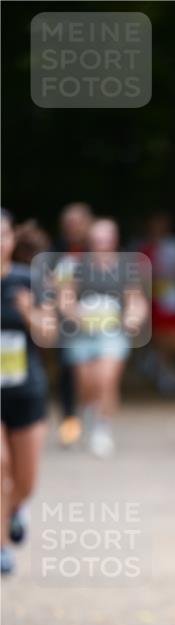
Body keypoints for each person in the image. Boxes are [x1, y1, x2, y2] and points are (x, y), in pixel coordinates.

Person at [57, 217, 148, 458]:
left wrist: (133, 317)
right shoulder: (75, 264)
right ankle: (88, 414)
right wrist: (75, 314)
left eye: (106, 237)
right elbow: (65, 298)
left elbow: (135, 299)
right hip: (82, 333)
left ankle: (102, 428)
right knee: (86, 384)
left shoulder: (126, 267)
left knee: (106, 379)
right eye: (97, 238)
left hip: (112, 332)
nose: (101, 242)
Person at [1, 209, 57, 574]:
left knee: (25, 481)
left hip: (25, 390)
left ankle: (15, 508)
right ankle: (3, 546)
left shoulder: (29, 280)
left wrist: (29, 313)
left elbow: (50, 334)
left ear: (11, 239)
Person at [52, 202, 95, 446]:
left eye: (77, 223)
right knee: (68, 372)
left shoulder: (100, 249)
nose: (72, 228)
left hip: (97, 320)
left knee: (95, 373)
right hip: (66, 321)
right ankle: (69, 420)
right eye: (68, 224)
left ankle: (92, 415)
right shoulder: (56, 249)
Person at [138, 211, 175, 396]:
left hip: (172, 295)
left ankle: (164, 365)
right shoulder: (144, 246)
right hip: (152, 295)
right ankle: (162, 368)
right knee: (157, 334)